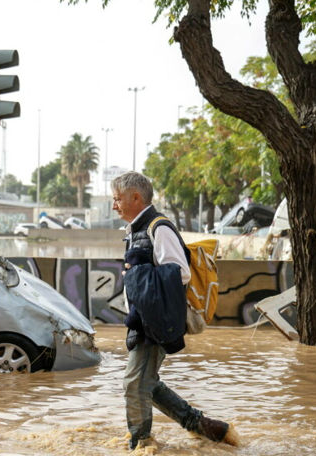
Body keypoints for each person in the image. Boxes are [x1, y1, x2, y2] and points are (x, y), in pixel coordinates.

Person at [111, 171, 238, 450]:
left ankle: (141, 444)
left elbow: (179, 273)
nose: (114, 205)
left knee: (134, 383)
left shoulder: (159, 227)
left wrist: (136, 273)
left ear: (136, 197)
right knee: (147, 383)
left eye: (118, 199)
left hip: (153, 321)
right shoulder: (137, 230)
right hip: (143, 320)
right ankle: (207, 428)